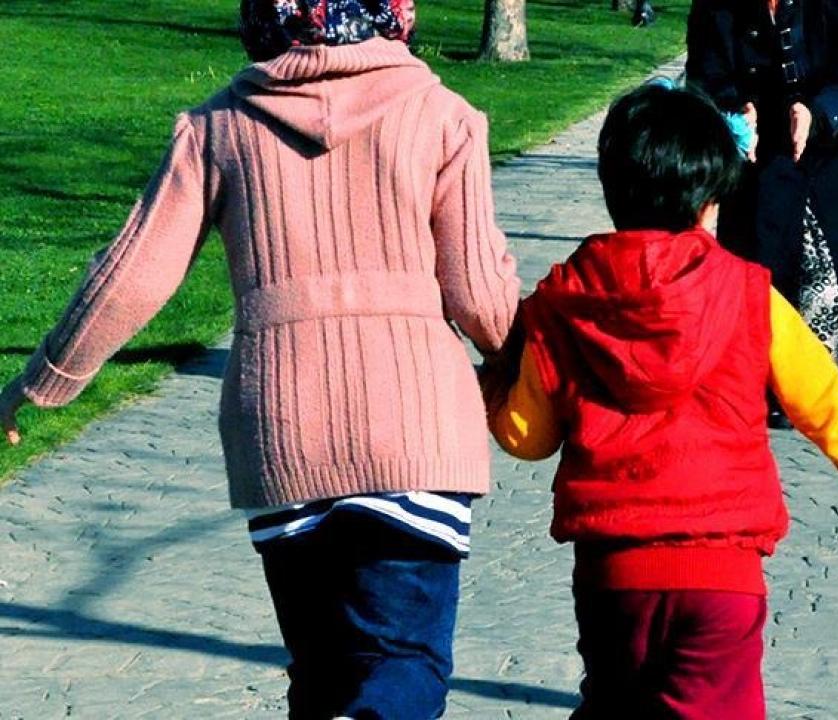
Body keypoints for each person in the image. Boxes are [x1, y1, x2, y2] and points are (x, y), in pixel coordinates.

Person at [0, 0, 521, 716]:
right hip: (415, 432)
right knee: (406, 659)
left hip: (284, 433)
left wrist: (41, 381)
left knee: (321, 670)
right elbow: (480, 296)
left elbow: (134, 274)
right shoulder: (443, 116)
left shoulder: (217, 126)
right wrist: (519, 363)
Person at [482, 83, 838, 720]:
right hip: (722, 576)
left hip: (612, 575)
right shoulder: (751, 296)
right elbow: (827, 409)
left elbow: (526, 436)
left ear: (611, 189)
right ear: (710, 202)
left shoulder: (566, 299)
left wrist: (492, 380)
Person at [685, 0, 838, 425]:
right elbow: (705, 70)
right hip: (761, 139)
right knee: (763, 248)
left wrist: (816, 112)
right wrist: (735, 108)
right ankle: (773, 386)